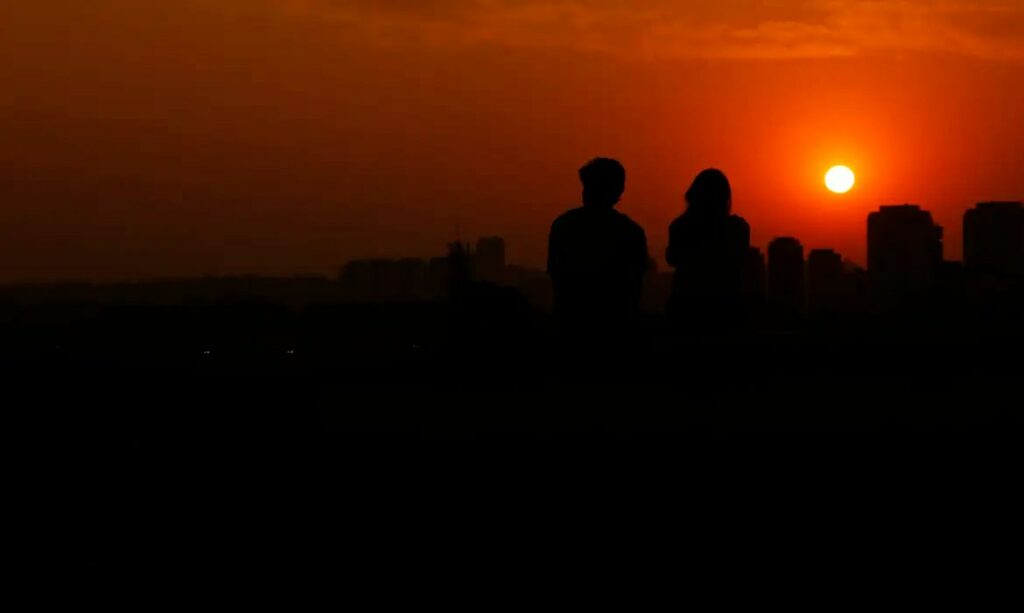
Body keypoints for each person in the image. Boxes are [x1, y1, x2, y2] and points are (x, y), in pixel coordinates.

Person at [547, 158, 649, 327]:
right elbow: (634, 285)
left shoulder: (564, 225)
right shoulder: (630, 231)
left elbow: (557, 275)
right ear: (619, 191)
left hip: (571, 320)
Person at [666, 169, 750, 331]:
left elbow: (673, 258)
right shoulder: (738, 228)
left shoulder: (680, 227)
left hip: (686, 309)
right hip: (726, 310)